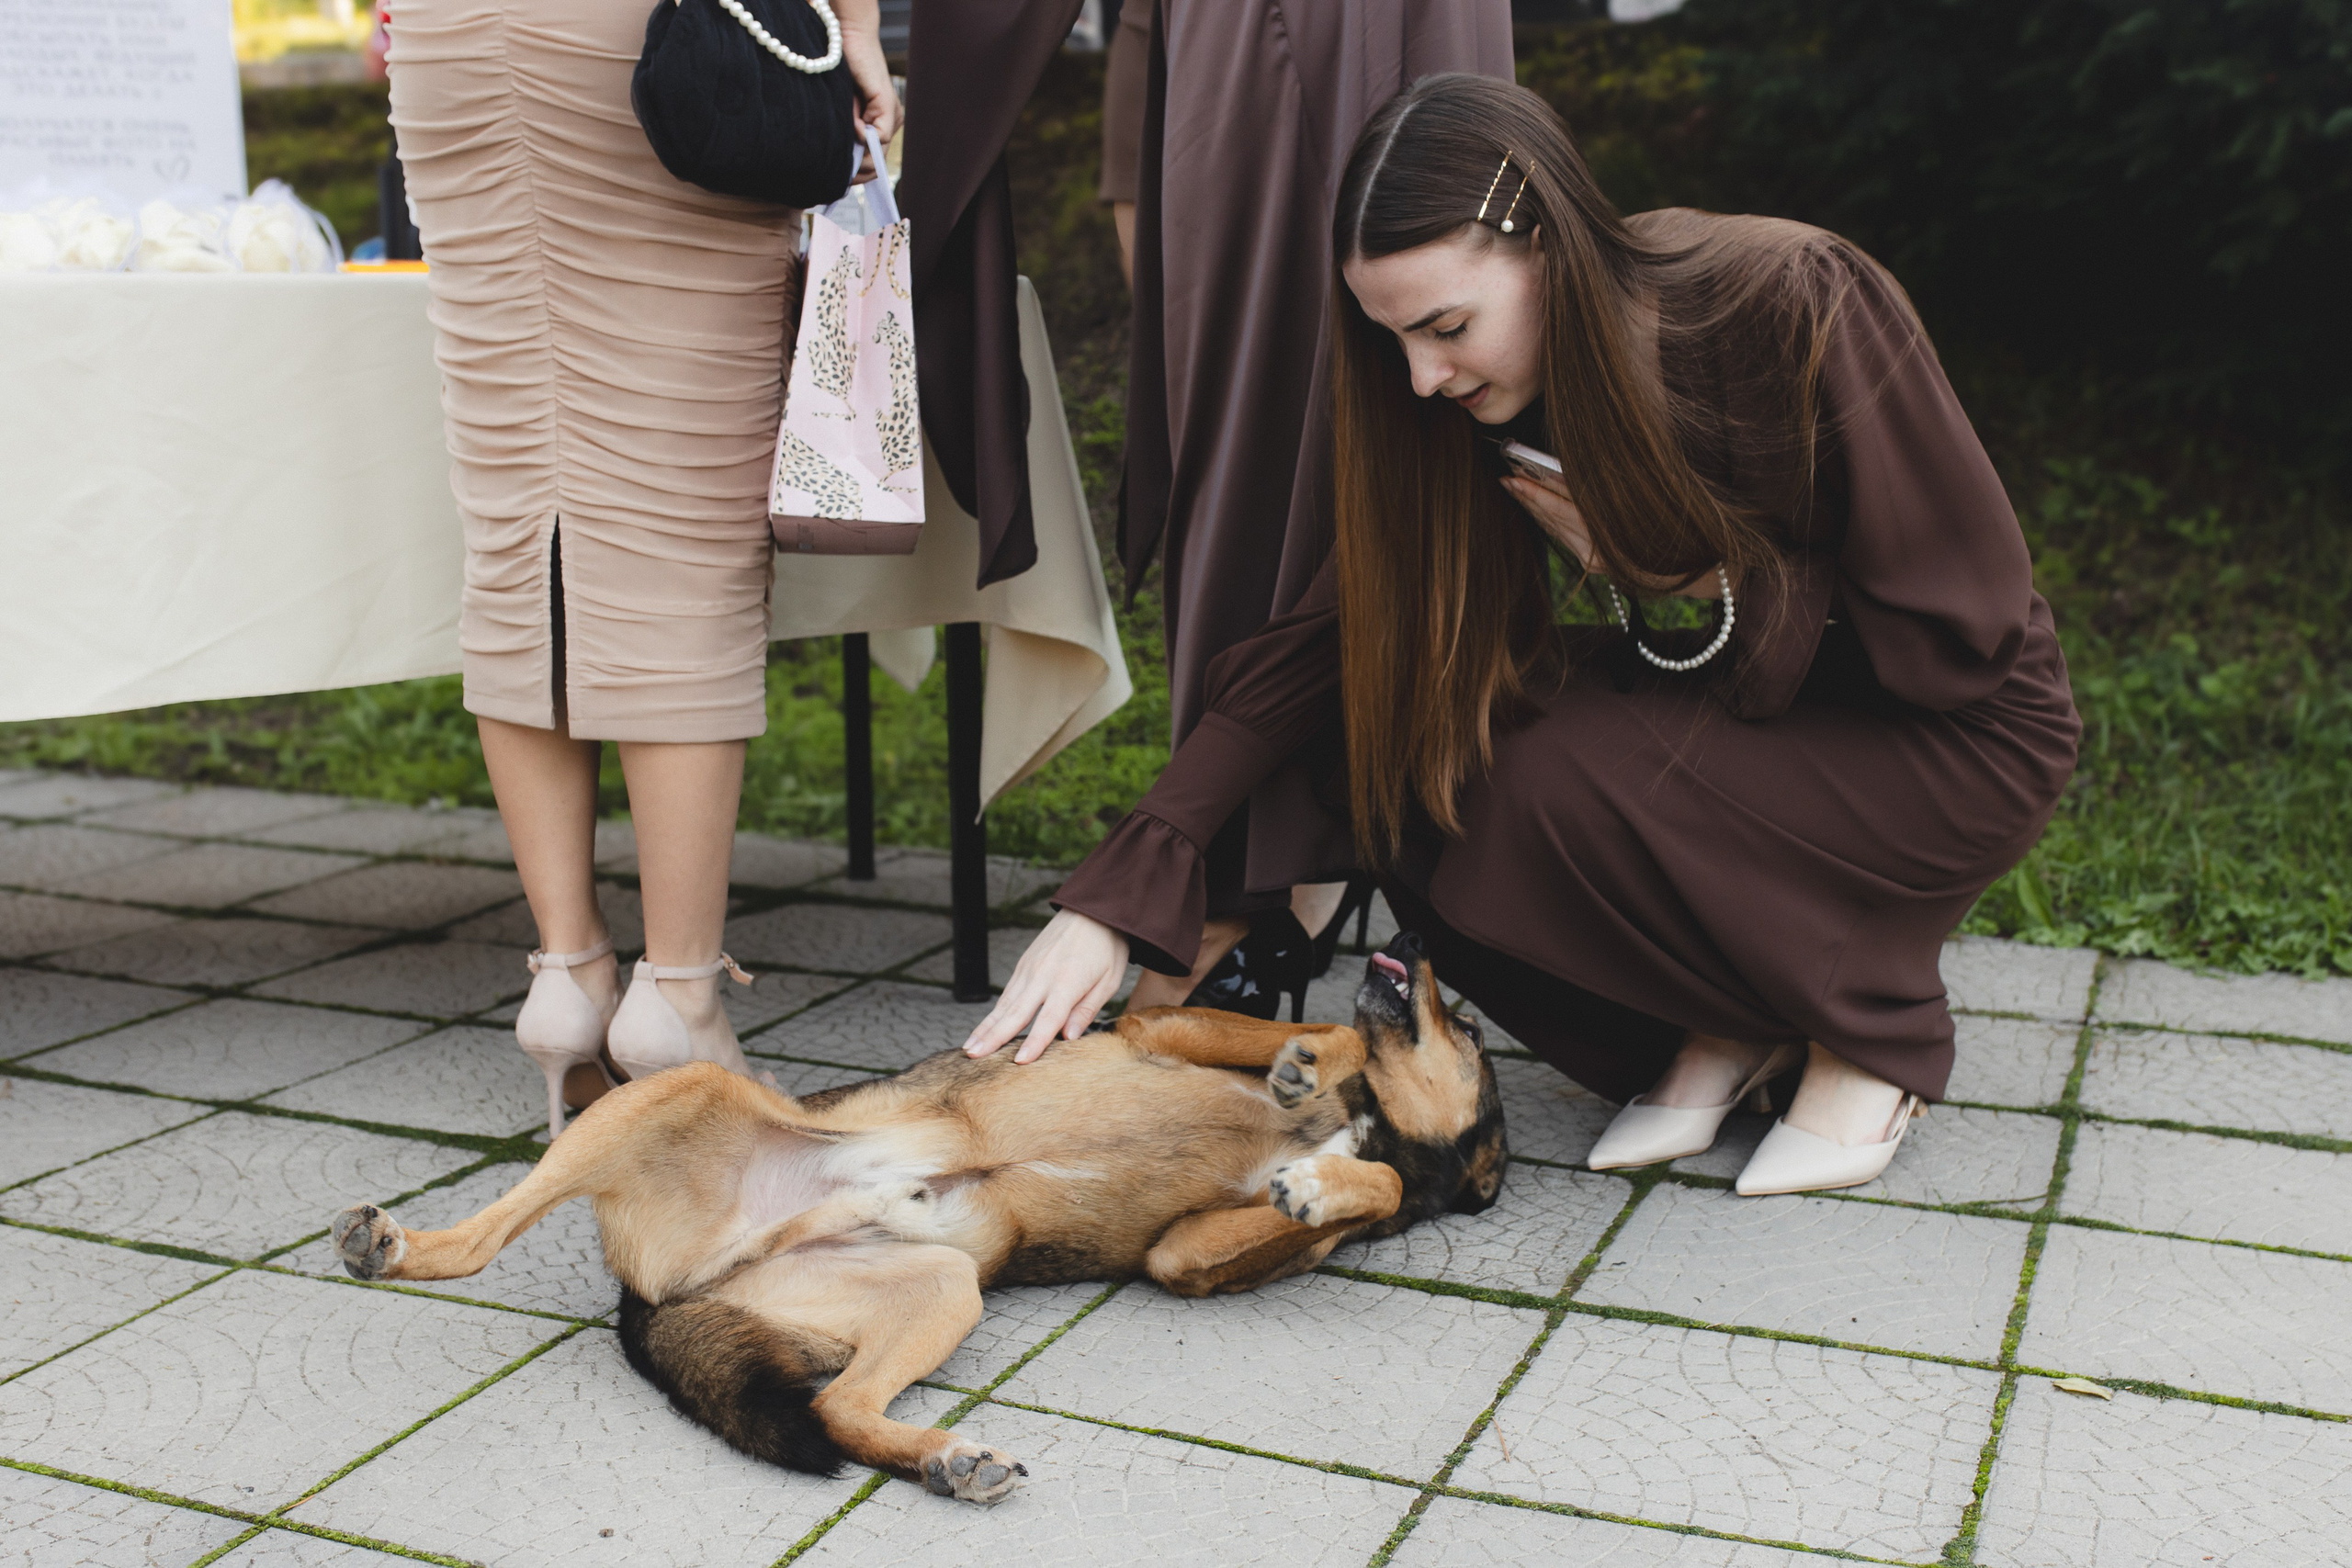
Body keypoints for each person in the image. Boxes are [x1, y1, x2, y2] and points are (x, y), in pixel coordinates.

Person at [965, 73, 2080, 1196]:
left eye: (1447, 328)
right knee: (1392, 744)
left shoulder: (1783, 296)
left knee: (1553, 769)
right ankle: (1734, 1017)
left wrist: (1699, 568)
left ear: (1547, 244)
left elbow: (1964, 627)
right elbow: (1322, 644)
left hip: (1947, 736)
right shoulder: (1447, 397)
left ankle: (1866, 1034)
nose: (1422, 374)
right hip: (1738, 709)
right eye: (1393, 337)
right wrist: (1111, 899)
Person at [389, 0, 900, 1138]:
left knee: (520, 513)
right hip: (641, 44)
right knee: (683, 536)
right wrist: (857, 24)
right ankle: (678, 1000)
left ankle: (565, 977)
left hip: (455, 43)